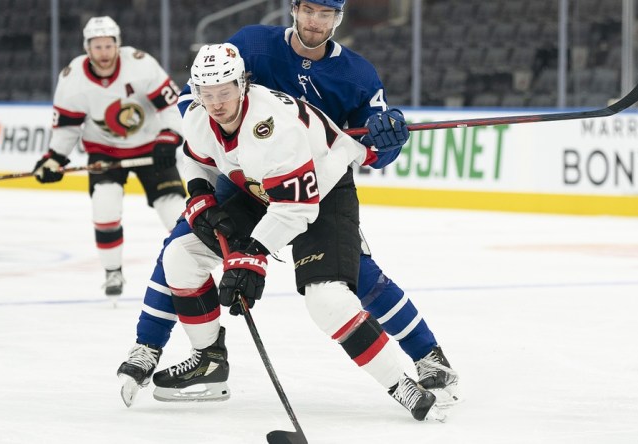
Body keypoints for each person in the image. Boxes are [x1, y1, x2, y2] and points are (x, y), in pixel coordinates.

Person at [117, 0, 457, 406]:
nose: (315, 22)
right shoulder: (251, 45)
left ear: (338, 17)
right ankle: (162, 348)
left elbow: (371, 149)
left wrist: (388, 138)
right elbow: (202, 102)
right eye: (309, 10)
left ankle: (428, 356)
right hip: (249, 178)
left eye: (326, 14)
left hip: (317, 185)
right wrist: (200, 192)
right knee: (185, 244)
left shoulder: (358, 74)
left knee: (353, 277)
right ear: (293, 9)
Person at [32, 16, 187, 297]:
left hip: (151, 146)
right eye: (97, 46)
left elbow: (171, 105)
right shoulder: (72, 78)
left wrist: (169, 137)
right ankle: (112, 271)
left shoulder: (141, 64)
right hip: (103, 150)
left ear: (118, 45)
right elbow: (67, 127)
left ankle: (190, 266)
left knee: (174, 209)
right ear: (87, 48)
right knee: (105, 206)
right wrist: (54, 157)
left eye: (108, 45)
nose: (103, 53)